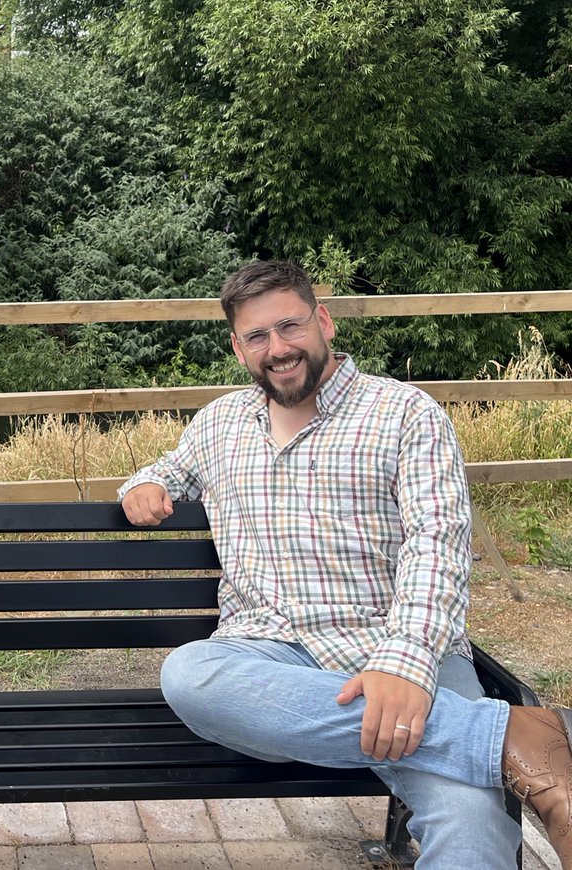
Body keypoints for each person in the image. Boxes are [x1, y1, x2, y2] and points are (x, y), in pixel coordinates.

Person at [120, 260, 572, 868]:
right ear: (237, 347)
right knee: (190, 676)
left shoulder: (405, 413)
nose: (277, 349)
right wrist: (143, 484)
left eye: (290, 327)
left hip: (399, 648)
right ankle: (511, 736)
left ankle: (473, 739)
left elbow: (437, 544)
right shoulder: (219, 423)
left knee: (472, 823)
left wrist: (404, 667)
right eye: (258, 336)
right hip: (265, 652)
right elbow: (169, 471)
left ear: (323, 320)